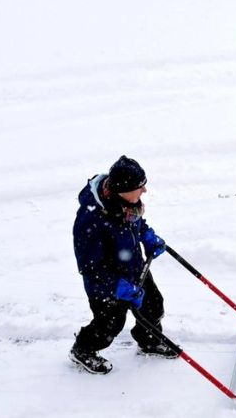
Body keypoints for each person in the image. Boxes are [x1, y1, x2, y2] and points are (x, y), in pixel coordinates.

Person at [70, 155, 178, 374]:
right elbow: (89, 266)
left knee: (153, 305)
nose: (145, 191)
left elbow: (136, 224)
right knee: (109, 324)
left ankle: (149, 340)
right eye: (140, 186)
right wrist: (117, 286)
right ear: (122, 189)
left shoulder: (127, 204)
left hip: (133, 269)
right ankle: (83, 349)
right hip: (105, 284)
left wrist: (147, 236)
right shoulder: (91, 219)